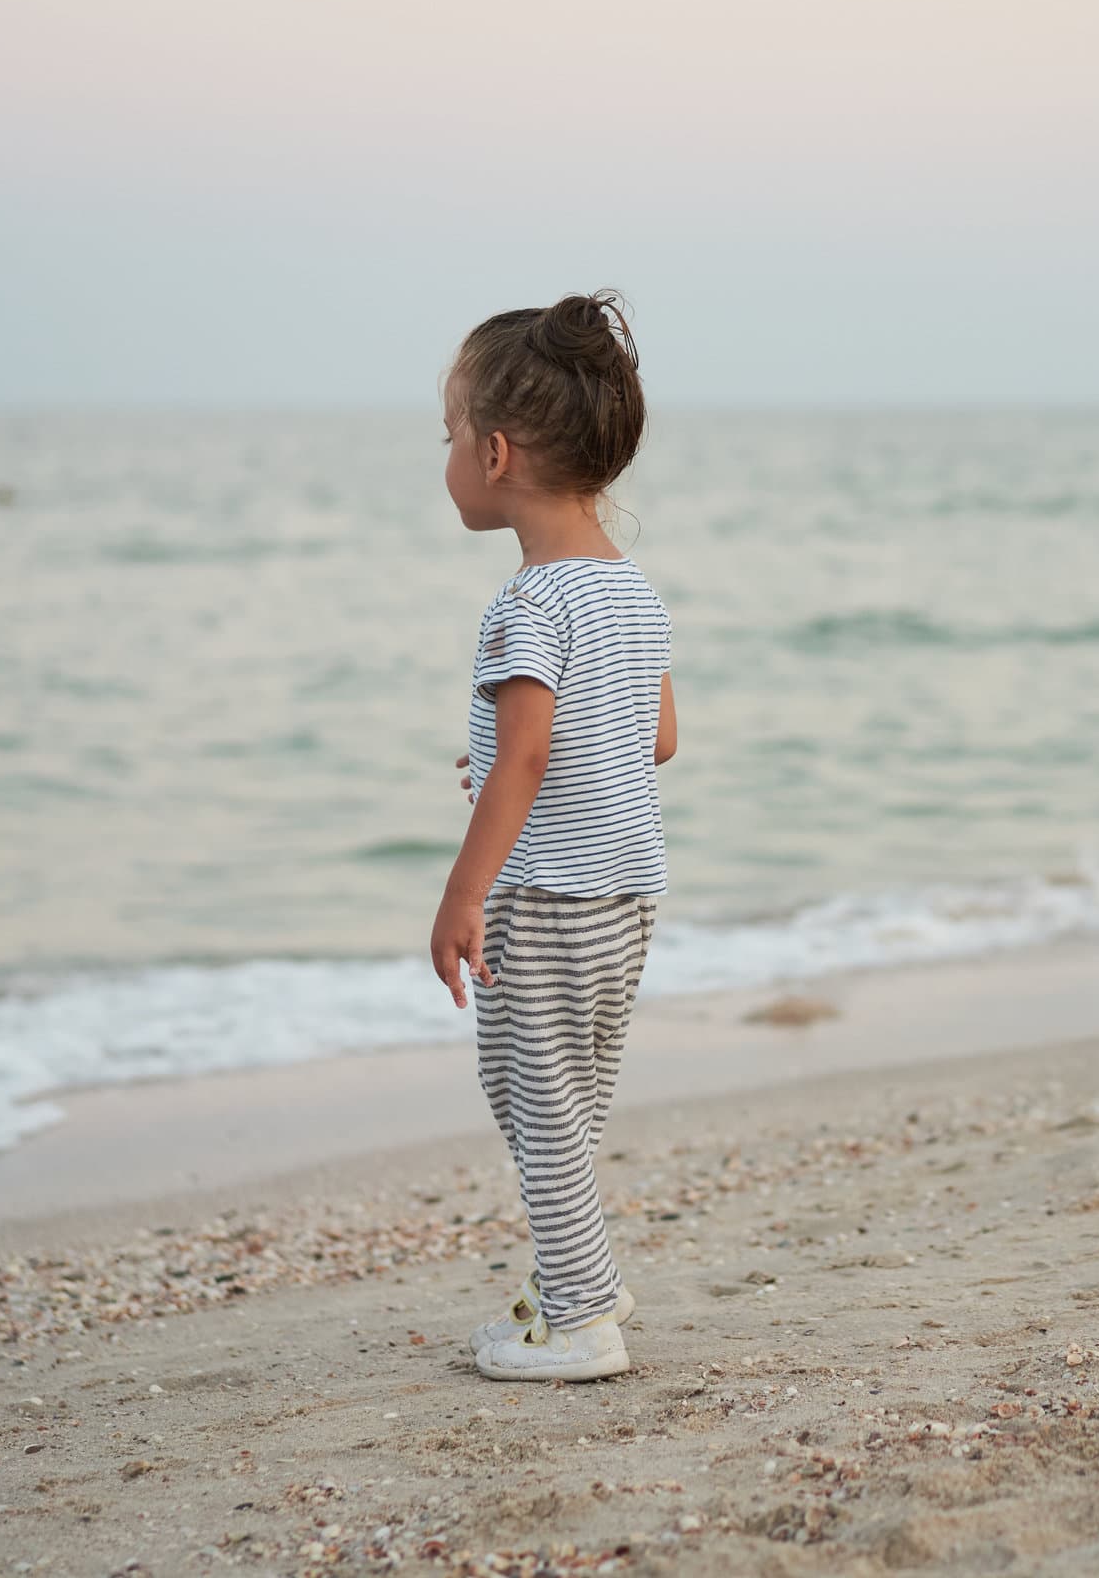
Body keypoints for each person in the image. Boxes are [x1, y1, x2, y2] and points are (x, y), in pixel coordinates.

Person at [429, 291, 673, 1382]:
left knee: (537, 1099)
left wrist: (461, 894)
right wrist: (512, 758)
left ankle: (582, 1319)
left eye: (446, 436)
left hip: (549, 893)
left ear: (494, 451)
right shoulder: (630, 590)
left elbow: (528, 756)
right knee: (560, 1094)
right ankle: (579, 1280)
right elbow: (656, 735)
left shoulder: (528, 604)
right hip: (627, 892)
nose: (445, 457)